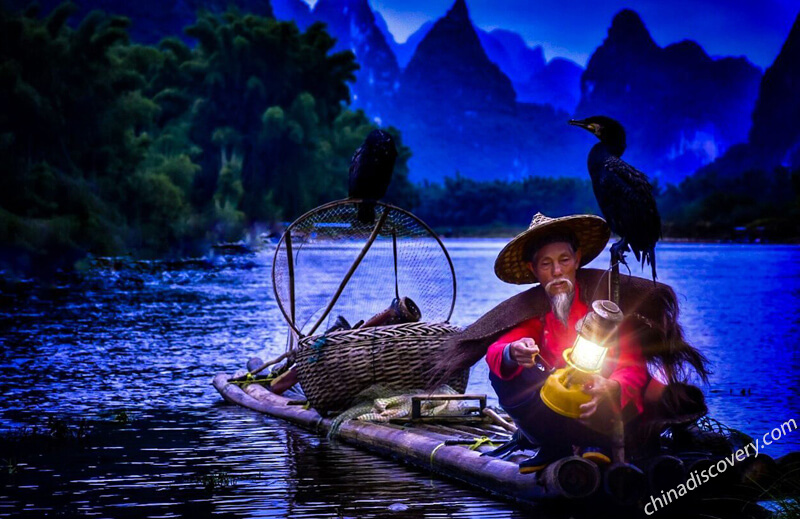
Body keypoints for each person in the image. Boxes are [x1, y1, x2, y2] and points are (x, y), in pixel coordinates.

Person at [428, 212, 710, 473]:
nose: (557, 272)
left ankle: (598, 444)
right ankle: (553, 447)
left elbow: (632, 365)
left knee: (613, 377)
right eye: (546, 264)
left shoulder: (604, 305)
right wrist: (514, 352)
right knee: (502, 372)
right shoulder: (533, 311)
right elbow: (497, 350)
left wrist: (612, 387)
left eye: (564, 260)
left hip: (605, 411)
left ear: (577, 260)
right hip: (555, 414)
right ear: (533, 270)